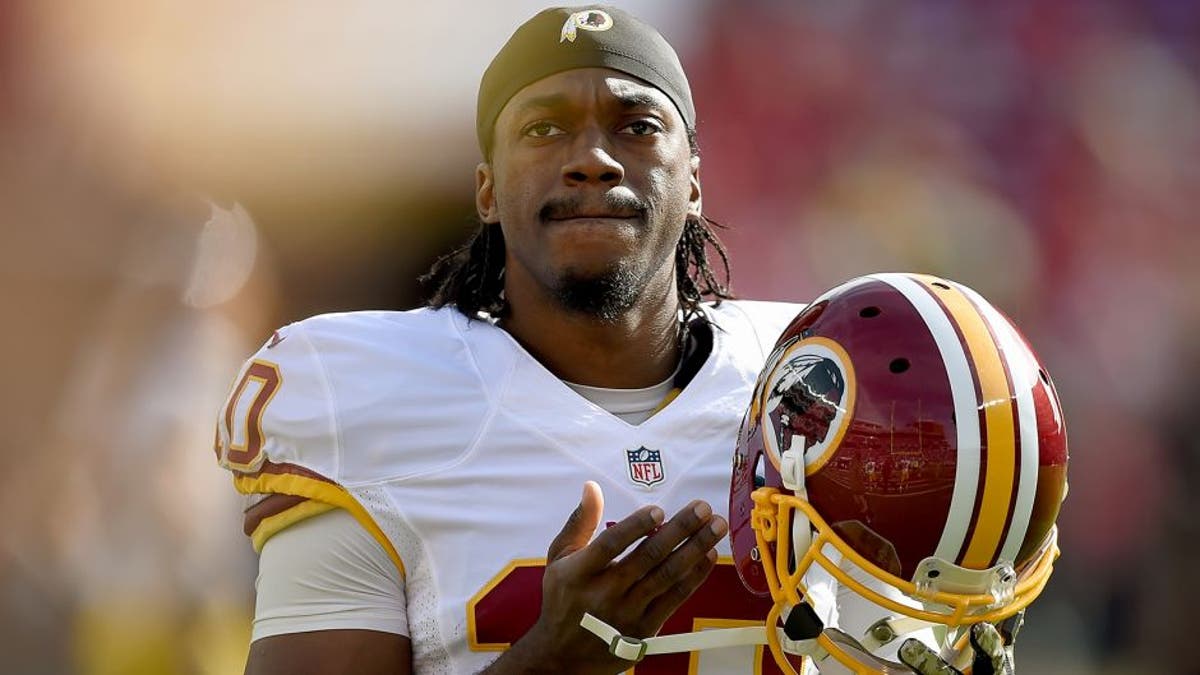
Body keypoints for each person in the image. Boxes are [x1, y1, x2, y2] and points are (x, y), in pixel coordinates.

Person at [214, 6, 1018, 674]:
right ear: (487, 189)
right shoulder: (364, 396)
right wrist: (549, 660)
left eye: (636, 126)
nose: (592, 159)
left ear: (695, 179)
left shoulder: (825, 389)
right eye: (543, 129)